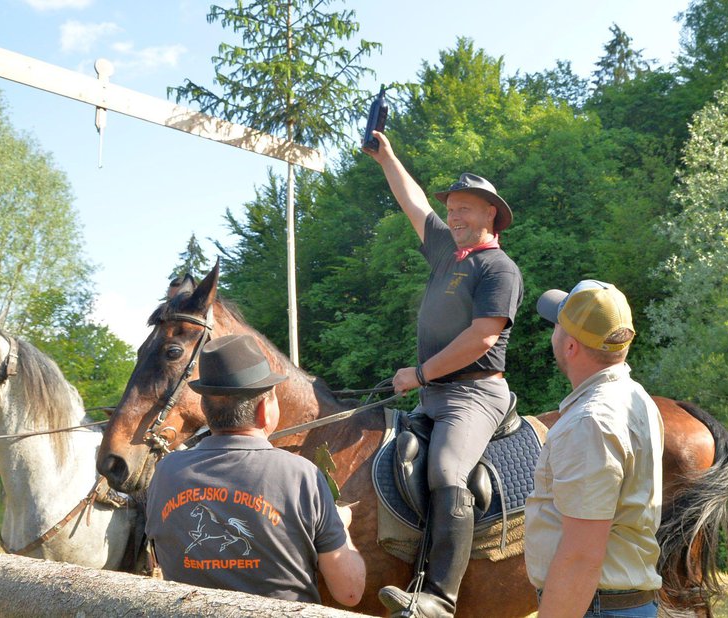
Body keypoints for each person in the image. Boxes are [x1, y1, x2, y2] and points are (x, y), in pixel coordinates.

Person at [364, 131, 524, 617]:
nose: (454, 216)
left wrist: (419, 373)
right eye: (451, 209)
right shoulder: (445, 253)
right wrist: (385, 156)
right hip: (433, 395)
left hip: (475, 397)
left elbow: (483, 338)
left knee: (447, 470)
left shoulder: (499, 269)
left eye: (465, 209)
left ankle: (439, 598)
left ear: (489, 214)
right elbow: (412, 203)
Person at [145, 334, 365, 607]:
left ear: (205, 408)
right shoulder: (300, 475)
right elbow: (350, 593)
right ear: (264, 409)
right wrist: (342, 529)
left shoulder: (165, 473)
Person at [526, 280, 664, 618]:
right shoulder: (636, 398)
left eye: (558, 325)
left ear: (570, 346)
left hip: (595, 607)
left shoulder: (588, 423)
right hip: (618, 604)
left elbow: (580, 558)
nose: (553, 331)